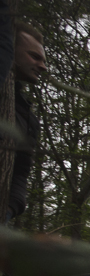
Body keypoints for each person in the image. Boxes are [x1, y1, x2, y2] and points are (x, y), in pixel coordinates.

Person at [9, 21, 45, 223]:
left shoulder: (27, 117)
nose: (43, 66)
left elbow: (22, 169)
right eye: (34, 56)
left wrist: (12, 206)